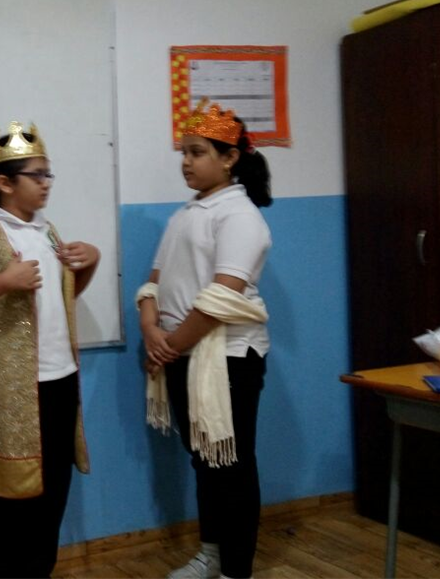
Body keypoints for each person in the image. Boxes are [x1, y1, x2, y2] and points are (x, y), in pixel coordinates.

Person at [0, 121, 100, 578]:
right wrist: (5, 281)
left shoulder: (49, 232)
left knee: (53, 497)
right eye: (37, 175)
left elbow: (62, 296)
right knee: (13, 504)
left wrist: (90, 263)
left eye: (48, 174)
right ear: (6, 184)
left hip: (59, 380)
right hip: (13, 392)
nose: (46, 184)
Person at [137, 100, 273, 579]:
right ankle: (212, 553)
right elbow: (154, 281)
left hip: (228, 357)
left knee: (230, 464)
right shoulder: (186, 214)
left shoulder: (240, 216)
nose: (186, 162)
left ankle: (236, 568)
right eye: (184, 152)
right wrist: (151, 329)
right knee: (204, 460)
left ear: (229, 157)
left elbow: (222, 297)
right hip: (183, 351)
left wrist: (169, 344)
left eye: (197, 152)